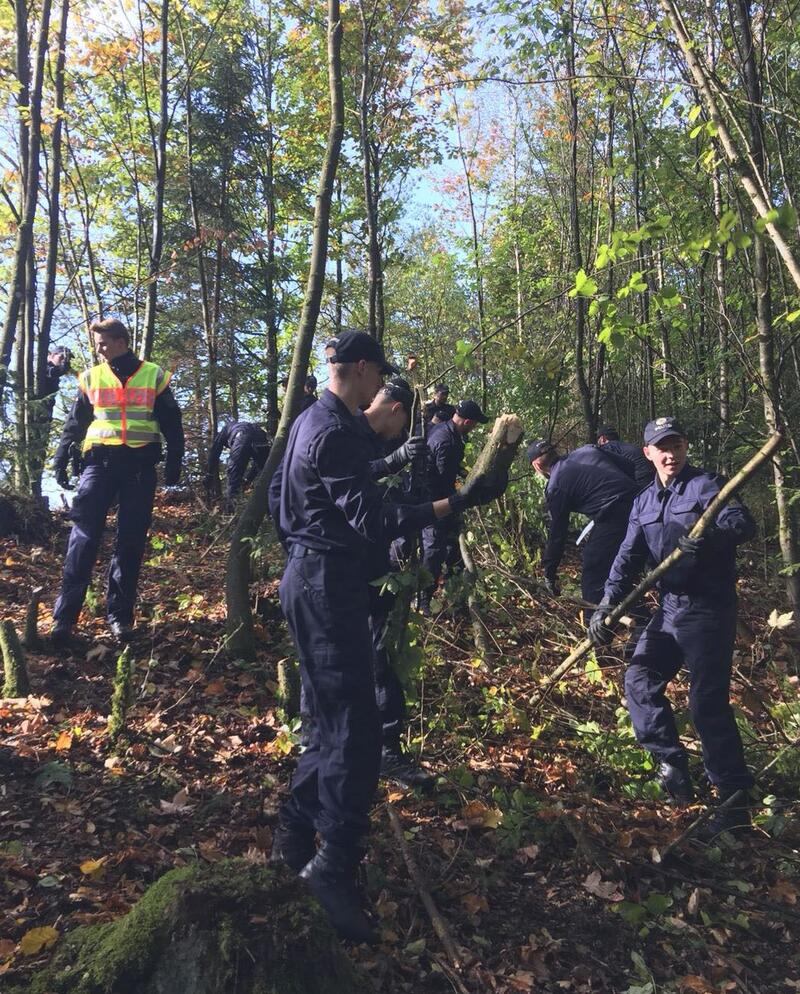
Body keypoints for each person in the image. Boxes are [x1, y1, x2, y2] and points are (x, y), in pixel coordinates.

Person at [271, 331, 503, 942]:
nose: (381, 387)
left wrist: (393, 466)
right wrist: (453, 503)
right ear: (362, 369)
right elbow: (372, 517)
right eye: (378, 375)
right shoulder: (330, 428)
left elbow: (296, 494)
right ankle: (332, 865)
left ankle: (292, 838)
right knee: (355, 728)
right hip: (327, 582)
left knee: (329, 720)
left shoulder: (314, 420)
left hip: (311, 576)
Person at [587, 417, 756, 836]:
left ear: (685, 447)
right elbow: (627, 557)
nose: (670, 455)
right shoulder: (644, 501)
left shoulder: (706, 485)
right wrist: (606, 605)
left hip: (708, 609)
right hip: (669, 609)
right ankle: (672, 765)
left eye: (676, 445)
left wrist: (710, 539)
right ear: (647, 453)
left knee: (706, 703)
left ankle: (734, 806)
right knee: (640, 677)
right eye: (662, 448)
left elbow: (742, 524)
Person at [50, 318, 184, 646]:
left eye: (104, 343)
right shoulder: (92, 377)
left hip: (139, 468)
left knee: (131, 542)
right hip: (99, 464)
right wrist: (61, 456)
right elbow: (75, 423)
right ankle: (64, 619)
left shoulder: (154, 376)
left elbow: (172, 422)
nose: (99, 349)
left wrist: (174, 464)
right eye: (98, 344)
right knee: (83, 538)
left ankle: (120, 617)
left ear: (121, 342)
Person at [528, 438, 639, 614]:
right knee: (625, 563)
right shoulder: (588, 450)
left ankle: (595, 624)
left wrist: (549, 572)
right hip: (641, 502)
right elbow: (629, 465)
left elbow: (558, 532)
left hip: (614, 515)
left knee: (594, 572)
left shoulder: (555, 486)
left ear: (537, 466)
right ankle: (639, 618)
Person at [420, 398, 489, 612]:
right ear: (467, 422)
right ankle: (423, 599)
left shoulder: (445, 430)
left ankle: (453, 592)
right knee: (433, 550)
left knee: (452, 546)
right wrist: (462, 498)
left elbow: (450, 470)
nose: (474, 427)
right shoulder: (447, 441)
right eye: (474, 424)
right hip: (434, 502)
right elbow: (443, 479)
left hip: (440, 499)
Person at [205, 421, 271, 511]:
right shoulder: (239, 426)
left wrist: (209, 474)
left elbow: (214, 452)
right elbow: (258, 464)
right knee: (266, 472)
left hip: (242, 436)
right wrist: (248, 480)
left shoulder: (224, 430)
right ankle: (270, 509)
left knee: (233, 477)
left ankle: (232, 511)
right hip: (261, 436)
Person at [597, 424, 654, 488]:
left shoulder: (609, 447)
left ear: (602, 439)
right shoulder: (625, 447)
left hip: (639, 483)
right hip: (652, 480)